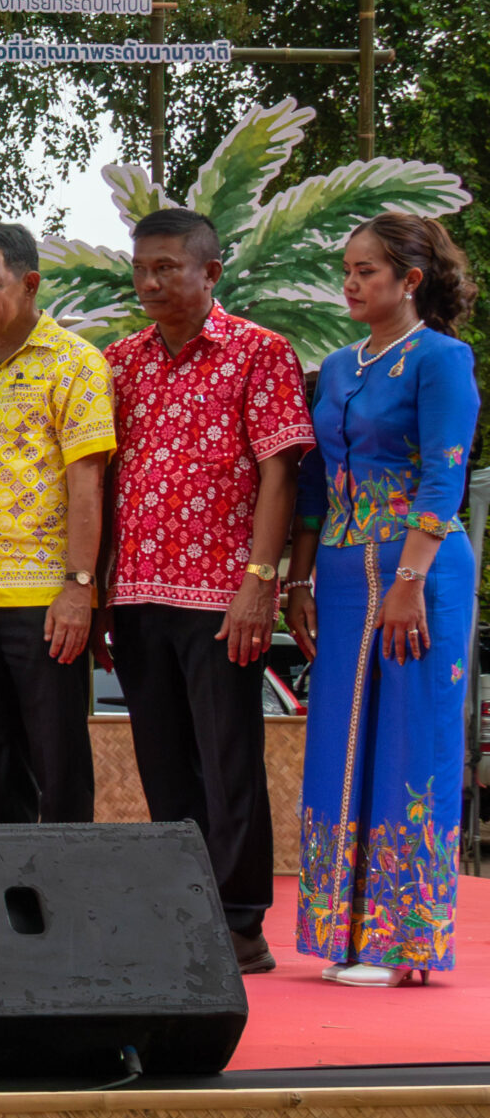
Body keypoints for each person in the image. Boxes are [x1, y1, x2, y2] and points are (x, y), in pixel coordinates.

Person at [100, 207, 310, 976]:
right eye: (141, 268)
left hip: (224, 595)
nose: (150, 281)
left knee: (229, 758)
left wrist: (261, 582)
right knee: (162, 759)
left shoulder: (260, 352)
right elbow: (106, 481)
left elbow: (281, 472)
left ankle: (242, 921)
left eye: (167, 267)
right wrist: (97, 597)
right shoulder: (119, 361)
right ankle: (185, 906)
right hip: (137, 594)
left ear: (209, 272)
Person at [285, 214, 478, 988]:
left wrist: (410, 582)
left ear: (411, 280)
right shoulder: (336, 367)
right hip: (337, 569)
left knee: (411, 737)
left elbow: (446, 472)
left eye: (367, 270)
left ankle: (406, 948)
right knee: (340, 741)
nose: (352, 282)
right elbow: (312, 484)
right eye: (348, 269)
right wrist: (296, 580)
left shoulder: (441, 359)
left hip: (418, 569)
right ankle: (346, 932)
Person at [0, 222, 115, 824]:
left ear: (30, 283)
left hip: (45, 599)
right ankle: (0, 908)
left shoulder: (76, 364)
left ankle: (68, 908)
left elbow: (88, 485)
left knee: (57, 762)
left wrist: (79, 588)